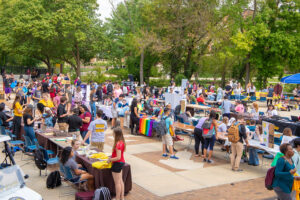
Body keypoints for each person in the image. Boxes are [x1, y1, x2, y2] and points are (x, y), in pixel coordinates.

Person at [107, 127, 126, 200]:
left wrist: (110, 159)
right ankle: (122, 197)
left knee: (117, 182)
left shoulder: (118, 144)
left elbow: (118, 157)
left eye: (113, 133)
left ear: (116, 134)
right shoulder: (121, 142)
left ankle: (118, 198)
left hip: (117, 163)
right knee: (120, 181)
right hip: (121, 162)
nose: (112, 134)